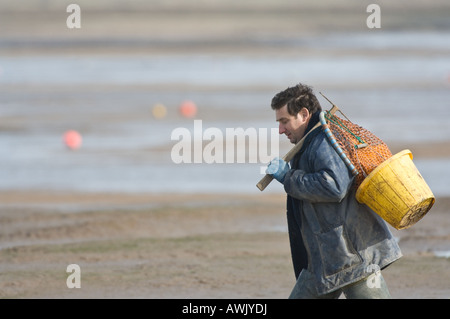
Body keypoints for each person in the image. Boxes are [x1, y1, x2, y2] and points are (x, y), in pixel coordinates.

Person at [265, 83, 402, 299]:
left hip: (352, 259)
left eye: (284, 121)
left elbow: (334, 186)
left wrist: (288, 177)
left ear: (303, 114)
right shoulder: (312, 140)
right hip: (325, 259)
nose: (281, 130)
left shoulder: (323, 141)